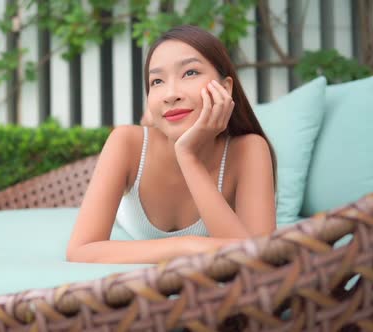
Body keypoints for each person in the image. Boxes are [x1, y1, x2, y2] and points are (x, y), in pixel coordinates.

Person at [66, 25, 277, 264]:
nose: (170, 93)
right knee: (148, 127)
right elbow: (80, 250)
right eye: (157, 81)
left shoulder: (248, 149)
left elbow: (259, 260)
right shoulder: (125, 142)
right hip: (142, 162)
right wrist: (186, 246)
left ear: (225, 88)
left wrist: (188, 155)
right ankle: (151, 120)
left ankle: (155, 118)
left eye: (189, 73)